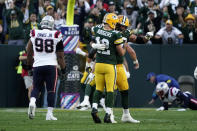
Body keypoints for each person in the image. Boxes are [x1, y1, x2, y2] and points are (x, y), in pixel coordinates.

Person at [26, 15, 66, 120]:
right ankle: (49, 114)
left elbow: (28, 51)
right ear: (52, 24)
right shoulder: (56, 34)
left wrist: (29, 66)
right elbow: (60, 56)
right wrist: (63, 68)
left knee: (36, 88)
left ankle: (33, 101)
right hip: (51, 66)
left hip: (38, 65)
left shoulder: (35, 32)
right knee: (51, 90)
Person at [90, 13, 127, 123]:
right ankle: (108, 114)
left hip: (98, 65)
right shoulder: (115, 34)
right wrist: (123, 45)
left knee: (98, 89)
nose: (115, 25)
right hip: (110, 65)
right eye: (115, 22)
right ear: (111, 22)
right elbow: (120, 53)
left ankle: (94, 108)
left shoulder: (97, 29)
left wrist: (93, 45)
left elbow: (93, 35)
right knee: (110, 90)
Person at [115, 15, 140, 123]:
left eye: (124, 27)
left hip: (116, 65)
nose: (123, 29)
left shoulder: (119, 34)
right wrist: (135, 62)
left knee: (124, 89)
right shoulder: (113, 34)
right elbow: (124, 52)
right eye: (121, 26)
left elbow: (124, 55)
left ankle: (126, 115)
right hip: (108, 64)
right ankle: (107, 113)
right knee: (105, 91)